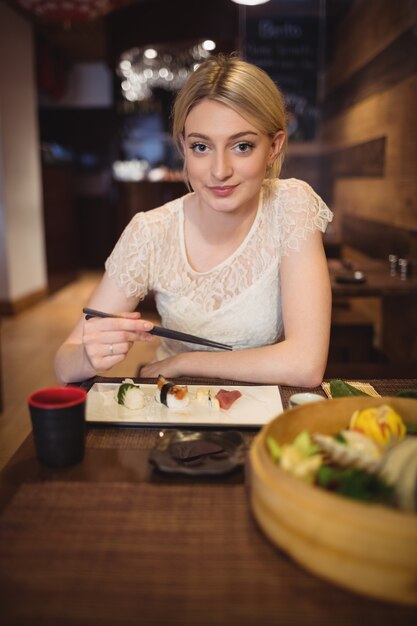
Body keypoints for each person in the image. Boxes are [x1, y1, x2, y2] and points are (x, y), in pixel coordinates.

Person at [54, 54, 333, 387]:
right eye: (201, 147)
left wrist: (185, 362)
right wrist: (86, 355)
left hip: (263, 414)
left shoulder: (290, 205)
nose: (219, 171)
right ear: (183, 146)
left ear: (273, 147)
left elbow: (306, 364)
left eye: (242, 146)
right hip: (172, 409)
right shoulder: (151, 230)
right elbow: (64, 363)